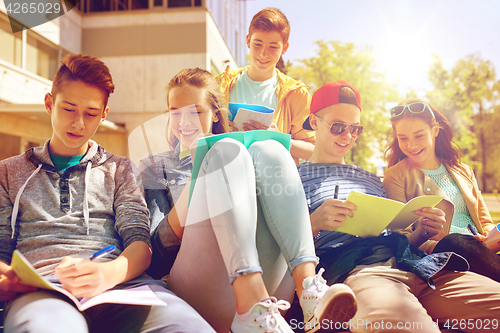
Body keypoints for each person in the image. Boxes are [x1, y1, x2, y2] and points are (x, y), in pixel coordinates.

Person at [0, 54, 215, 333]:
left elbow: (140, 244)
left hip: (122, 288)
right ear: (49, 104)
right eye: (68, 109)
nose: (78, 123)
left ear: (104, 114)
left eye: (90, 114)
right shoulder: (7, 172)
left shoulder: (121, 169)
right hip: (45, 291)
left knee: (189, 328)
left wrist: (106, 274)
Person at [139, 68, 357, 333]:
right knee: (226, 151)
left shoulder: (243, 155)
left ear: (215, 114)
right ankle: (249, 301)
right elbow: (154, 258)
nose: (184, 121)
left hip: (273, 292)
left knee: (271, 148)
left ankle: (309, 288)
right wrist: (195, 191)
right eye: (175, 112)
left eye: (195, 111)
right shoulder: (156, 167)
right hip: (199, 289)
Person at [297, 80, 500, 333]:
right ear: (314, 122)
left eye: (355, 129)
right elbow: (279, 248)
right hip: (362, 271)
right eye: (338, 127)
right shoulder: (294, 178)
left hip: (419, 263)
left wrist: (422, 231)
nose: (347, 136)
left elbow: (398, 233)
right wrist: (314, 223)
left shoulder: (371, 178)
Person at [383, 98, 500, 282]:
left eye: (419, 136)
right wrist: (422, 231)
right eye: (403, 138)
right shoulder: (395, 176)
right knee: (455, 241)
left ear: (435, 130)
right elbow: (400, 240)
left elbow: (485, 221)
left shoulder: (463, 170)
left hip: (482, 252)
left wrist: (490, 235)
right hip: (443, 254)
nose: (411, 145)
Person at [216, 7, 315, 163]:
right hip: (229, 175)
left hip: (274, 181)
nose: (263, 53)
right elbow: (202, 134)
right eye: (257, 44)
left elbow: (313, 150)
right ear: (248, 40)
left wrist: (279, 139)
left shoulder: (296, 94)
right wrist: (219, 130)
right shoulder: (220, 84)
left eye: (273, 47)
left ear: (285, 48)